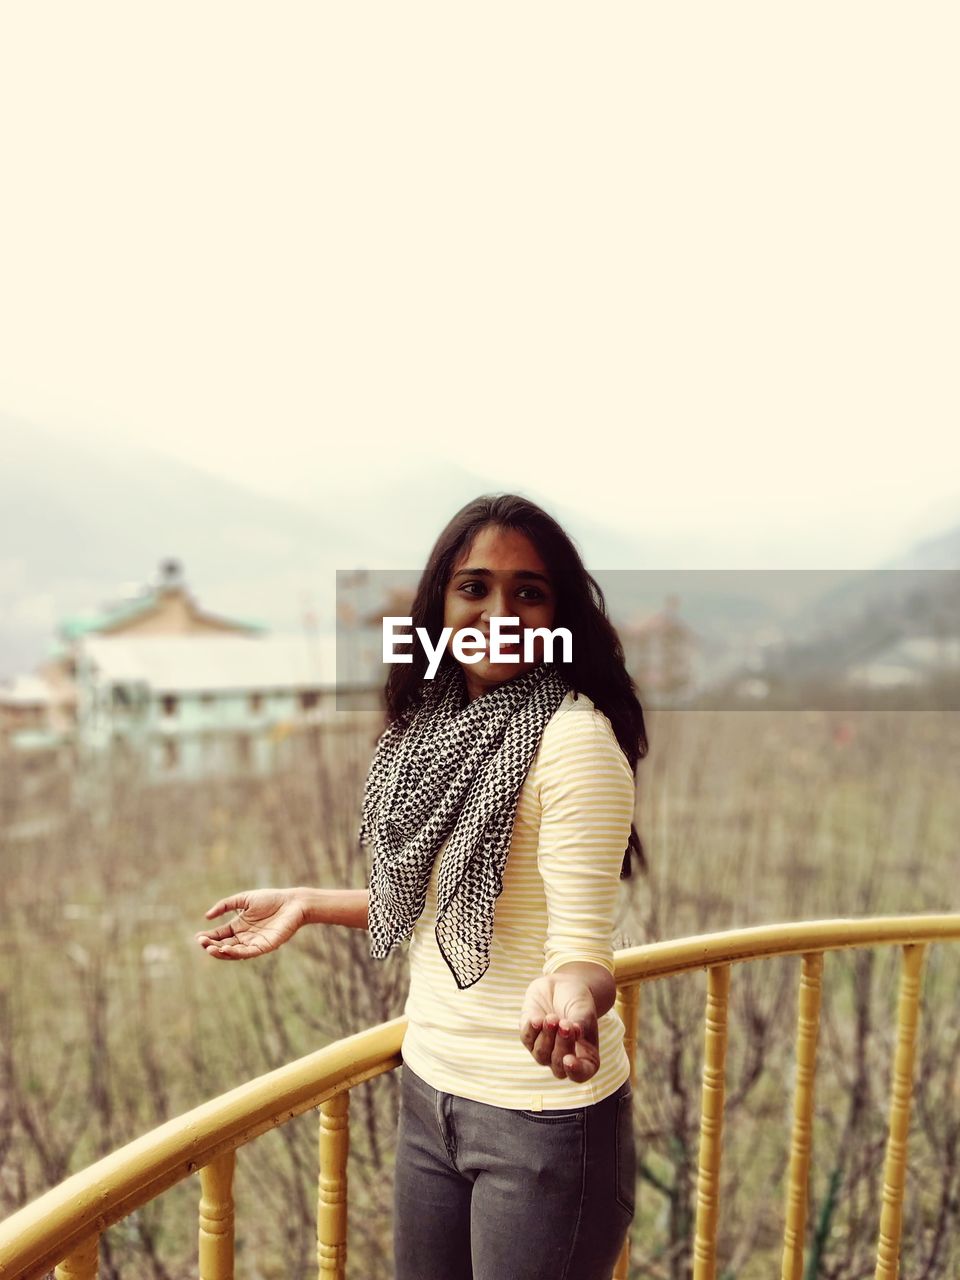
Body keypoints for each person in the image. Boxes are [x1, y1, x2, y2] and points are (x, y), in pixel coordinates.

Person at [196, 494, 648, 1280]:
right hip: (430, 1092)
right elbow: (445, 906)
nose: (497, 611)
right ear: (439, 604)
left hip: (538, 1123)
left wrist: (573, 998)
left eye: (528, 592)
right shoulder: (428, 731)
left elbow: (579, 949)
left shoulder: (573, 741)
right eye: (473, 588)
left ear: (559, 613)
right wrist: (308, 902)